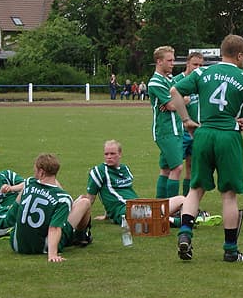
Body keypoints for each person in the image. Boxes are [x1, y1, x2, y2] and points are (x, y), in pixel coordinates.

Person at [170, 34, 243, 262]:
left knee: (195, 189)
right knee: (229, 196)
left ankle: (185, 234)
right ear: (239, 55)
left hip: (204, 133)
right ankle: (230, 250)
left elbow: (175, 92)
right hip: (228, 135)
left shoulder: (201, 72)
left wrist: (186, 119)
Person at [83, 139, 220, 228]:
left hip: (140, 205)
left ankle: (188, 216)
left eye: (112, 153)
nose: (109, 157)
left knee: (182, 199)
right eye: (106, 154)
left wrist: (107, 214)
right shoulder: (98, 171)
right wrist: (87, 220)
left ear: (120, 154)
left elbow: (114, 193)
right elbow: (91, 198)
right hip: (126, 212)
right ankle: (188, 220)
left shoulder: (125, 169)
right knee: (155, 219)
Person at [8, 153, 92, 262]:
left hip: (16, 244)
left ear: (41, 172)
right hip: (44, 246)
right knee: (84, 202)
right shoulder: (62, 198)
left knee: (70, 202)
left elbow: (14, 211)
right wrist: (52, 254)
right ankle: (80, 237)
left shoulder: (28, 184)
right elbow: (54, 228)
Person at [148, 46, 184, 199]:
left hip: (175, 129)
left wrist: (176, 101)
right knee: (177, 168)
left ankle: (160, 204)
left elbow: (173, 103)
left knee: (166, 169)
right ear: (159, 61)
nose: (172, 63)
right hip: (166, 130)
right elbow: (172, 105)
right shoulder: (155, 82)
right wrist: (182, 101)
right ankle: (172, 206)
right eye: (169, 60)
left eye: (173, 60)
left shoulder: (169, 80)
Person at [173, 51, 205, 196]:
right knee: (174, 167)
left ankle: (186, 202)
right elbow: (167, 104)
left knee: (191, 167)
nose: (197, 68)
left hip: (196, 130)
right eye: (195, 64)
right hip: (179, 130)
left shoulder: (203, 81)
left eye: (200, 65)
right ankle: (170, 204)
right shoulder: (177, 81)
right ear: (187, 64)